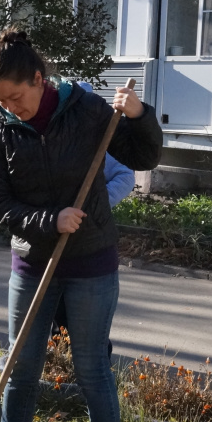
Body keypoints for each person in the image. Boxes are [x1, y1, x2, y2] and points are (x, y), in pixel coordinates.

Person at [0, 30, 162, 422]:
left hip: (91, 262)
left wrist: (139, 115)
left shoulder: (86, 110)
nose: (9, 107)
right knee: (20, 368)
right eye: (0, 100)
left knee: (91, 370)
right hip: (32, 260)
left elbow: (144, 156)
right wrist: (48, 220)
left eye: (15, 96)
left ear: (39, 80)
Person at [52, 80, 135, 341]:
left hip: (90, 237)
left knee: (89, 324)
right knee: (55, 310)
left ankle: (89, 369)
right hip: (52, 236)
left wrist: (95, 204)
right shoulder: (54, 136)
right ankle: (58, 365)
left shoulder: (103, 139)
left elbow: (125, 176)